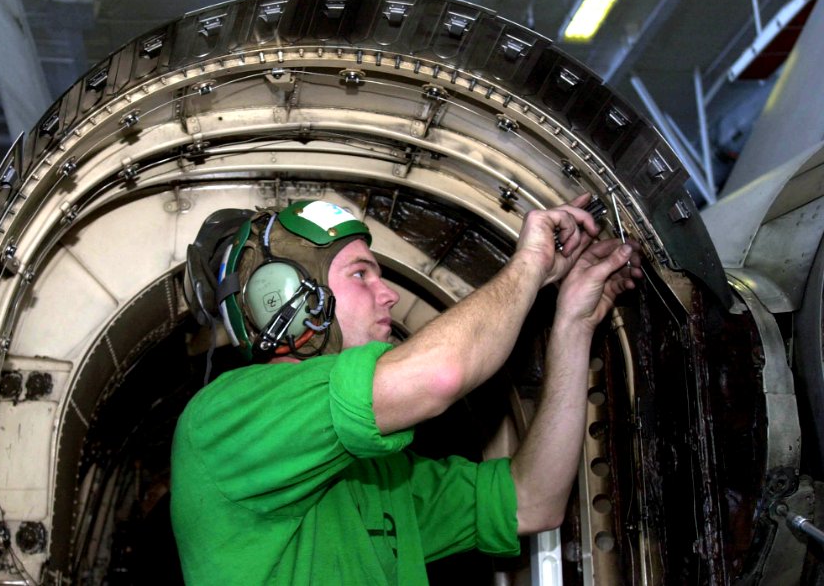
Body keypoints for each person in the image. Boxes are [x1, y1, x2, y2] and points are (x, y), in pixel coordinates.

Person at [170, 194, 642, 584]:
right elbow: (441, 375)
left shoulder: (380, 476)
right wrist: (532, 264)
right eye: (361, 275)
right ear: (285, 296)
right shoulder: (227, 418)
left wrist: (574, 324)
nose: (389, 294)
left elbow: (531, 501)